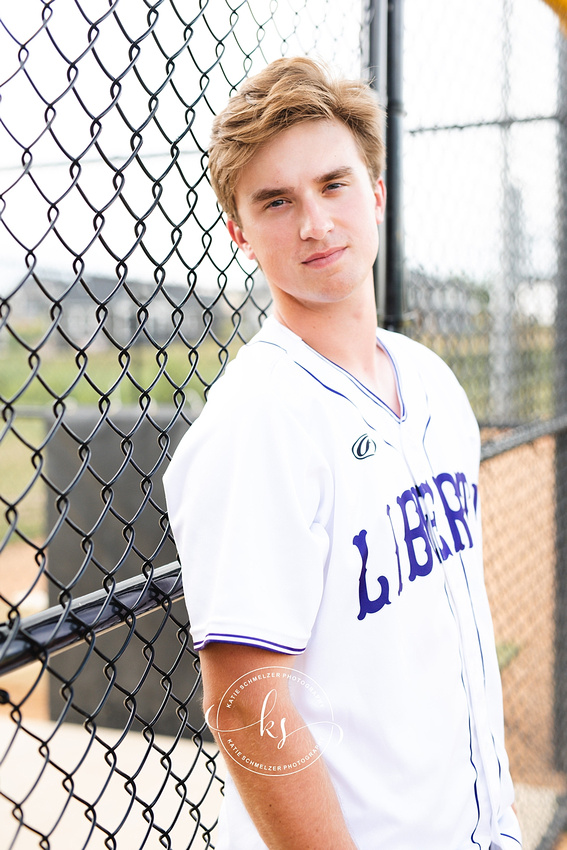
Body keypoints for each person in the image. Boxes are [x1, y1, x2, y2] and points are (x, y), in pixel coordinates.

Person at [163, 57, 521, 850]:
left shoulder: (427, 379)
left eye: (333, 185)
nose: (315, 224)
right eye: (275, 202)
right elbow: (245, 704)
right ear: (239, 231)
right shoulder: (259, 419)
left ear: (376, 194)